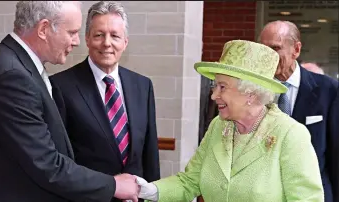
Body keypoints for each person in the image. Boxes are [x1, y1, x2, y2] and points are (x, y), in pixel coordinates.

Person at [0, 1, 140, 202]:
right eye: (72, 32)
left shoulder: (14, 63)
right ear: (44, 29)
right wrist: (115, 185)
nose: (76, 42)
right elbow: (47, 164)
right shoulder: (12, 75)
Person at [135, 40, 324, 202]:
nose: (214, 95)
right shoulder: (219, 126)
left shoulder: (289, 134)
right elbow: (190, 180)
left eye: (222, 87)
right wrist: (150, 190)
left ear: (250, 93)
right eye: (214, 86)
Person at [49, 2, 160, 201]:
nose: (107, 43)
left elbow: (150, 156)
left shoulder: (143, 86)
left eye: (115, 36)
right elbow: (60, 160)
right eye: (99, 35)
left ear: (125, 42)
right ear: (87, 39)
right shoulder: (60, 87)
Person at [259, 20, 339, 202]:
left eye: (275, 48)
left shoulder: (329, 91)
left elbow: (335, 156)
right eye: (263, 49)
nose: (268, 56)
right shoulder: (253, 91)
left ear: (296, 49)